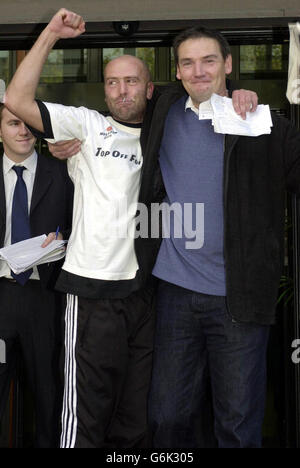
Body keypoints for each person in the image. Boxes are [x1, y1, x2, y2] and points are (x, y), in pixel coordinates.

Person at [3, 9, 258, 448]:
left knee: (137, 420)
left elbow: (208, 90)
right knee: (84, 419)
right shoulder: (87, 126)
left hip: (147, 293)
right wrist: (49, 35)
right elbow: (18, 100)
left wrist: (241, 94)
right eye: (112, 82)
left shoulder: (168, 131)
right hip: (92, 291)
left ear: (152, 87)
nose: (122, 90)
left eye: (132, 80)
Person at [144, 27, 300, 448]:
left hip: (241, 297)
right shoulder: (163, 112)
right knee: (166, 417)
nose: (199, 71)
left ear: (228, 65)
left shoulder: (264, 124)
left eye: (209, 60)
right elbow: (116, 115)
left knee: (237, 424)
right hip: (175, 292)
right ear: (176, 72)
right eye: (188, 63)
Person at [0, 104, 73, 447]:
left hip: (44, 298)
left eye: (29, 123)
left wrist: (65, 240)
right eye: (14, 123)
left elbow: (83, 226)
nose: (23, 131)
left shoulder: (63, 173)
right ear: (0, 130)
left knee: (49, 396)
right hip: (0, 298)